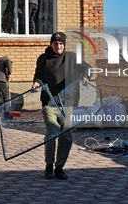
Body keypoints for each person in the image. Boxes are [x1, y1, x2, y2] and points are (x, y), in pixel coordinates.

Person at [32, 32, 91, 180]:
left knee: (67, 135)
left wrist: (85, 77)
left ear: (64, 45)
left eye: (60, 44)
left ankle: (59, 167)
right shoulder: (43, 59)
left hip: (67, 104)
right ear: (51, 44)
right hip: (49, 103)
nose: (58, 46)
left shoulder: (71, 57)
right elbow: (38, 75)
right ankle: (49, 166)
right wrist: (37, 82)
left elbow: (87, 67)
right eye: (55, 43)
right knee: (52, 132)